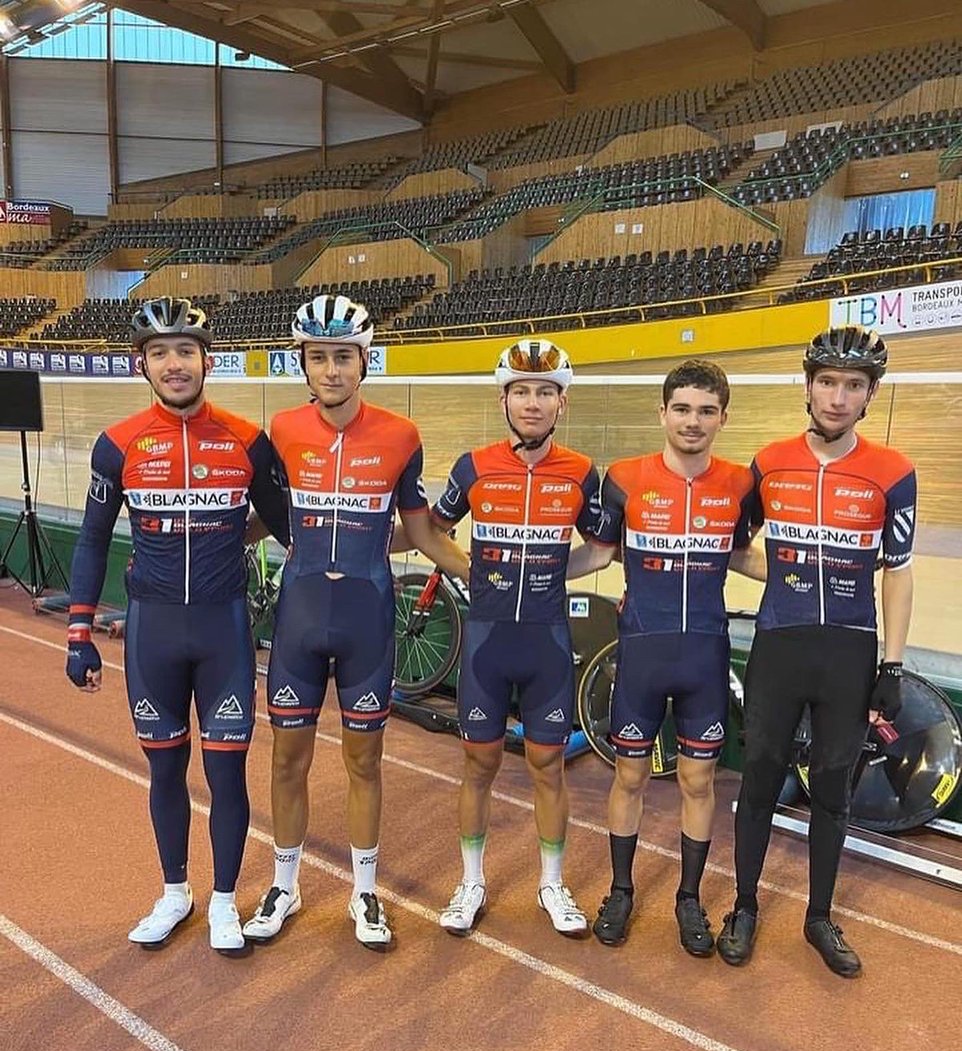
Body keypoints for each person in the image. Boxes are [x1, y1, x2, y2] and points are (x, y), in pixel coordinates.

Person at [242, 293, 468, 950]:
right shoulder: (280, 431)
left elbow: (422, 532)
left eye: (344, 356)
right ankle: (285, 885)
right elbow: (263, 518)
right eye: (320, 357)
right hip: (299, 621)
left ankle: (364, 893)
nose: (332, 369)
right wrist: (208, 537)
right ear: (302, 363)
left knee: (365, 760)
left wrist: (480, 572)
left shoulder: (402, 436)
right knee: (288, 759)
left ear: (364, 361)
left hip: (368, 618)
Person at [65, 297, 290, 954]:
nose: (174, 363)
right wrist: (78, 632)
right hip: (152, 636)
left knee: (227, 775)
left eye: (185, 351)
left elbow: (290, 527)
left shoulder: (248, 441)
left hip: (224, 634)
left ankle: (224, 900)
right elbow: (91, 541)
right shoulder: (118, 445)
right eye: (160, 352)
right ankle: (174, 892)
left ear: (207, 361)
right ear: (143, 364)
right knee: (165, 773)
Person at [716, 325, 916, 977]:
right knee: (760, 780)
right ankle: (744, 907)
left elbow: (899, 569)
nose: (837, 396)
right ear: (807, 386)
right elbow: (733, 543)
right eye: (826, 381)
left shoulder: (894, 472)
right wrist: (785, 575)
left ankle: (818, 917)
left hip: (850, 652)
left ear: (870, 395)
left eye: (853, 385)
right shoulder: (769, 462)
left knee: (834, 788)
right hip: (780, 642)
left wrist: (895, 664)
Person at [566, 360, 764, 953]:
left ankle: (689, 899)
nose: (693, 421)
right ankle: (621, 890)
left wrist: (807, 575)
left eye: (707, 411)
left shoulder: (739, 484)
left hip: (704, 652)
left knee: (698, 780)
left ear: (723, 418)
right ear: (663, 414)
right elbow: (598, 555)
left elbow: (742, 554)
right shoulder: (623, 478)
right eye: (682, 408)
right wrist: (527, 573)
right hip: (642, 652)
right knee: (629, 775)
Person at [430, 337, 607, 937]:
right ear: (505, 399)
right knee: (477, 764)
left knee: (548, 765)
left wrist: (559, 571)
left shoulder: (582, 472)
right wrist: (472, 573)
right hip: (487, 639)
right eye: (522, 392)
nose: (533, 403)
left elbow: (603, 549)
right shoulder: (473, 466)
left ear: (561, 403)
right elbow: (433, 532)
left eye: (545, 393)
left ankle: (552, 885)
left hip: (546, 641)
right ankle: (471, 881)